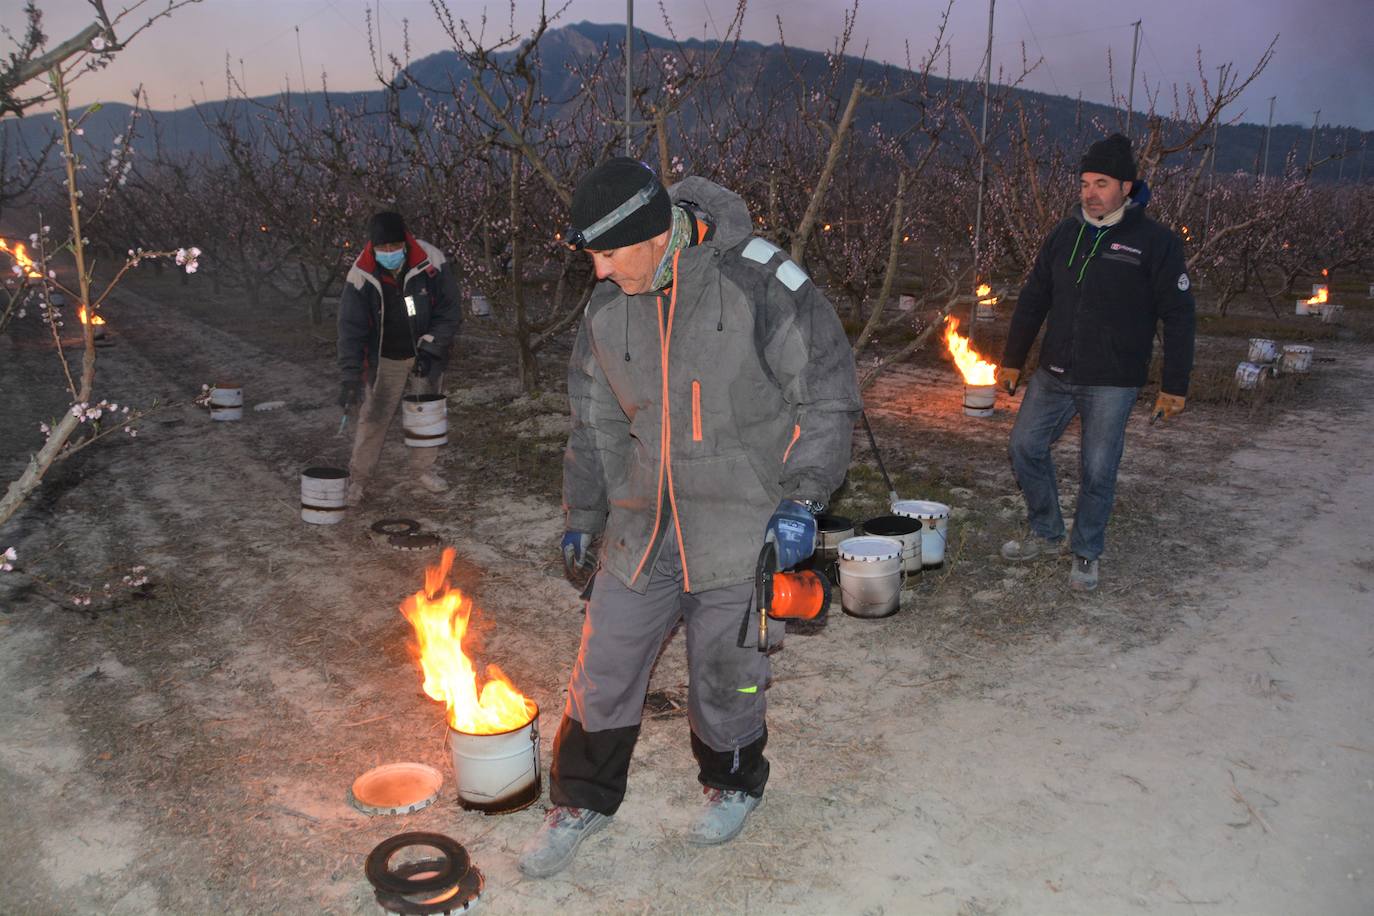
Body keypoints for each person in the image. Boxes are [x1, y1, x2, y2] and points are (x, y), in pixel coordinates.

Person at [517, 158, 861, 878]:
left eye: (609, 255)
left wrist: (802, 497)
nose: (601, 272)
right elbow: (595, 420)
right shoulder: (609, 307)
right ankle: (580, 798)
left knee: (727, 669)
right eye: (593, 258)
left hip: (740, 520)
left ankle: (732, 781)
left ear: (652, 234)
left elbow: (826, 394)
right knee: (604, 659)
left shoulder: (758, 282)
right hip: (644, 522)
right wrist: (583, 511)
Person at [996, 133, 1195, 591]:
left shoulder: (1155, 242)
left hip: (1112, 379)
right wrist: (1012, 360)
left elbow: (1180, 316)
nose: (1089, 192)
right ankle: (1046, 532)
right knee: (1024, 447)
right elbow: (1033, 299)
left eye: (1101, 182)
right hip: (1054, 372)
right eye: (1084, 182)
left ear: (1126, 186)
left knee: (1098, 468)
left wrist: (1175, 385)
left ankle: (1086, 552)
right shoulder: (1065, 233)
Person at [337, 211, 461, 504]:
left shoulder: (431, 260)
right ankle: (359, 478)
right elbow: (350, 328)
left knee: (426, 418)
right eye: (383, 249)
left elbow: (449, 310)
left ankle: (423, 470)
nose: (389, 253)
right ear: (373, 246)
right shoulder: (361, 273)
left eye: (395, 247)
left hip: (424, 354)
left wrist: (431, 348)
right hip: (387, 358)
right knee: (374, 417)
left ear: (405, 241)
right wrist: (349, 376)